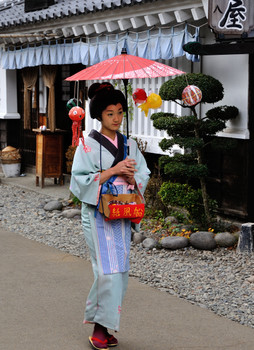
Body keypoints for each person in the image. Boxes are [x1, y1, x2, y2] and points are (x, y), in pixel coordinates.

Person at [70, 82, 150, 350]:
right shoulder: (88, 145)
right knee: (107, 271)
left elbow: (144, 174)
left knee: (121, 270)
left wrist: (132, 176)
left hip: (122, 213)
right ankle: (100, 327)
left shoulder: (129, 144)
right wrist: (114, 170)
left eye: (119, 112)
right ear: (99, 116)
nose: (116, 118)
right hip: (97, 215)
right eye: (109, 113)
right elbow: (79, 181)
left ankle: (103, 324)